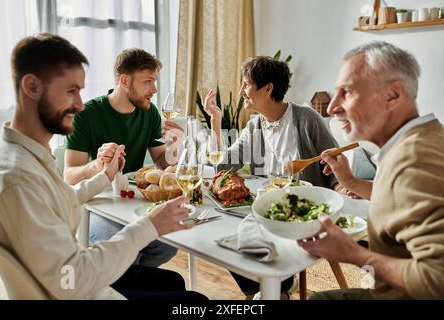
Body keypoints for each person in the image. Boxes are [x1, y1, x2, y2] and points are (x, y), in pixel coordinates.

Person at [0, 33, 206, 300]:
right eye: (71, 91)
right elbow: (70, 281)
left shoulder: (25, 155)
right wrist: (146, 227)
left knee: (174, 281)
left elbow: (58, 201)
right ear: (32, 87)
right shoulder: (16, 179)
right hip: (81, 289)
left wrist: (105, 175)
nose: (80, 104)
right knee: (196, 302)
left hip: (79, 278)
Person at [299, 41, 444, 299]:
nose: (332, 108)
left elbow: (437, 280)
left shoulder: (414, 158)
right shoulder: (418, 141)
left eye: (347, 92)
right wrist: (351, 182)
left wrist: (354, 254)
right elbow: (400, 199)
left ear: (392, 96)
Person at [202, 56, 341, 299]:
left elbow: (334, 162)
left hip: (303, 211)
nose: (242, 91)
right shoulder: (256, 126)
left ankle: (277, 288)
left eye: (246, 84)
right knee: (224, 234)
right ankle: (274, 290)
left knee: (243, 232)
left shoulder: (307, 119)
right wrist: (215, 121)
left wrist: (341, 186)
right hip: (269, 207)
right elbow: (223, 166)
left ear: (268, 88)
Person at [64, 48, 183, 268]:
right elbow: (69, 176)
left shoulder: (150, 112)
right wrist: (98, 166)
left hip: (131, 202)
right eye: (147, 81)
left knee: (167, 246)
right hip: (96, 206)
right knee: (128, 250)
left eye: (154, 81)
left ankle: (126, 281)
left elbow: (162, 163)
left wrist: (175, 146)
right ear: (125, 80)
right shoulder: (85, 115)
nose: (154, 89)